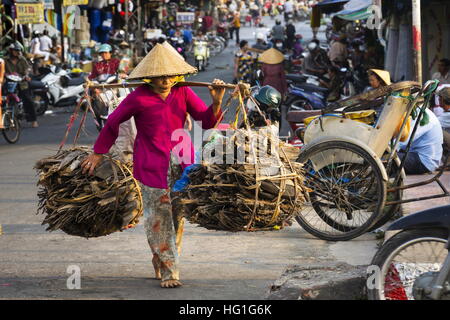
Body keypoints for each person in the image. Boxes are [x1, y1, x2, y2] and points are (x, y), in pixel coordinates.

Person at [81, 43, 225, 288]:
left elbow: (206, 121)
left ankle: (164, 255)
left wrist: (217, 101)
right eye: (159, 76)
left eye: (169, 75)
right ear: (150, 76)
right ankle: (171, 270)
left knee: (178, 216)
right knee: (158, 218)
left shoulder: (183, 92)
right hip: (151, 164)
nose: (165, 80)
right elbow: (113, 123)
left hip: (182, 162)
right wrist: (98, 153)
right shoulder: (138, 96)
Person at [398, 107, 443, 174]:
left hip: (424, 161)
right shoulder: (419, 111)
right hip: (419, 156)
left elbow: (403, 140)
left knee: (384, 159)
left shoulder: (421, 114)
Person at [4, 43, 38, 128]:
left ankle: (33, 120)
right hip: (9, 83)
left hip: (21, 83)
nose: (17, 53)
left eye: (18, 51)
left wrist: (26, 76)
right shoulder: (4, 60)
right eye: (15, 51)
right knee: (4, 100)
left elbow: (27, 69)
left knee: (28, 100)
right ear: (11, 51)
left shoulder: (22, 59)